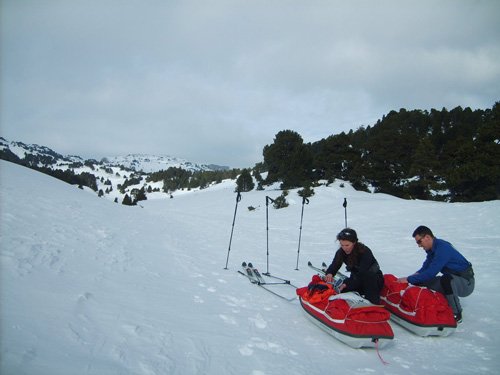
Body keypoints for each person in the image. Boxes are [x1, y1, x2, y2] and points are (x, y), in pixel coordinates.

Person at [397, 225, 475, 323]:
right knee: (422, 281)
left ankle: (457, 314)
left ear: (427, 237)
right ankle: (428, 306)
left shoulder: (443, 248)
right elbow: (426, 268)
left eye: (419, 241)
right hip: (454, 279)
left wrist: (409, 279)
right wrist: (413, 277)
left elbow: (431, 272)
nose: (419, 245)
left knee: (446, 279)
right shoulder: (432, 249)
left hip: (466, 283)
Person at [324, 228, 384, 304]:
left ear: (354, 242)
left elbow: (362, 272)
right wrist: (330, 273)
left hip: (374, 280)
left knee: (368, 282)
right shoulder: (341, 252)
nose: (344, 248)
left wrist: (347, 283)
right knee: (341, 290)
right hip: (356, 280)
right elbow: (335, 264)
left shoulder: (365, 252)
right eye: (342, 245)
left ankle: (373, 306)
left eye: (347, 245)